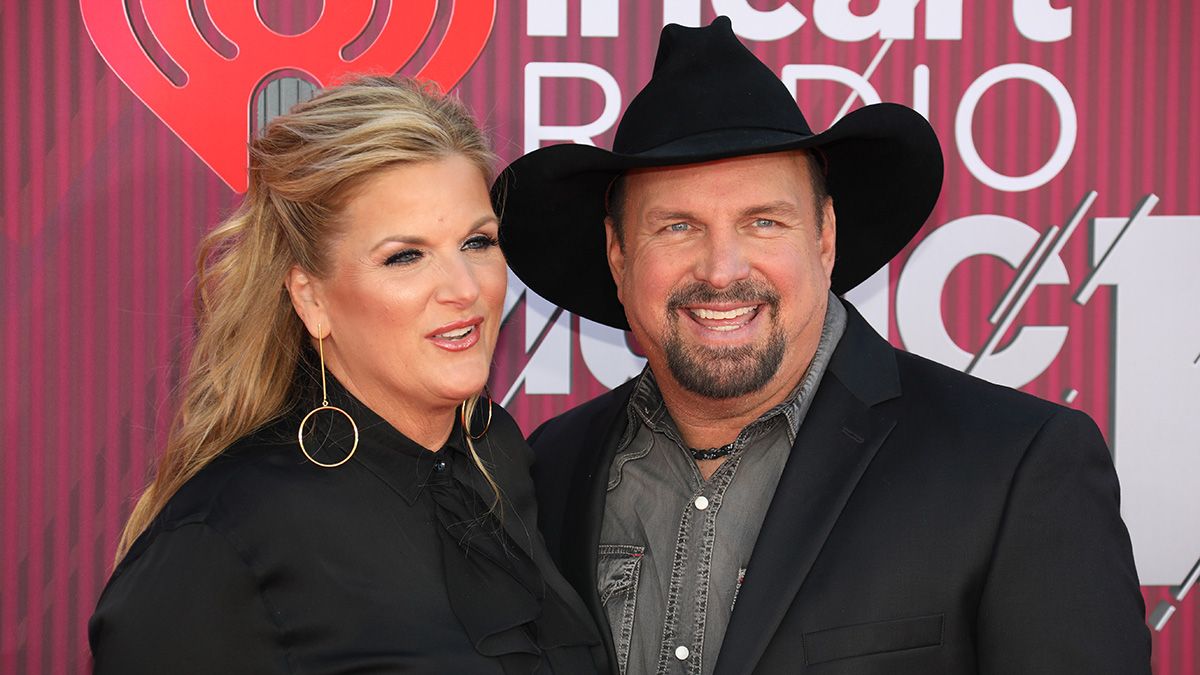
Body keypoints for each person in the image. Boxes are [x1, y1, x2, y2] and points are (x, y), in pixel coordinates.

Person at [493, 18, 1150, 675]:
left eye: (764, 221)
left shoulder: (1016, 465)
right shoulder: (548, 468)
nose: (722, 270)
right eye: (677, 225)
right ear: (619, 254)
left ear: (824, 236)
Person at [89, 76, 604, 674]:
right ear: (311, 299)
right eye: (405, 256)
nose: (466, 290)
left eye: (477, 242)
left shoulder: (497, 457)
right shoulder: (225, 532)